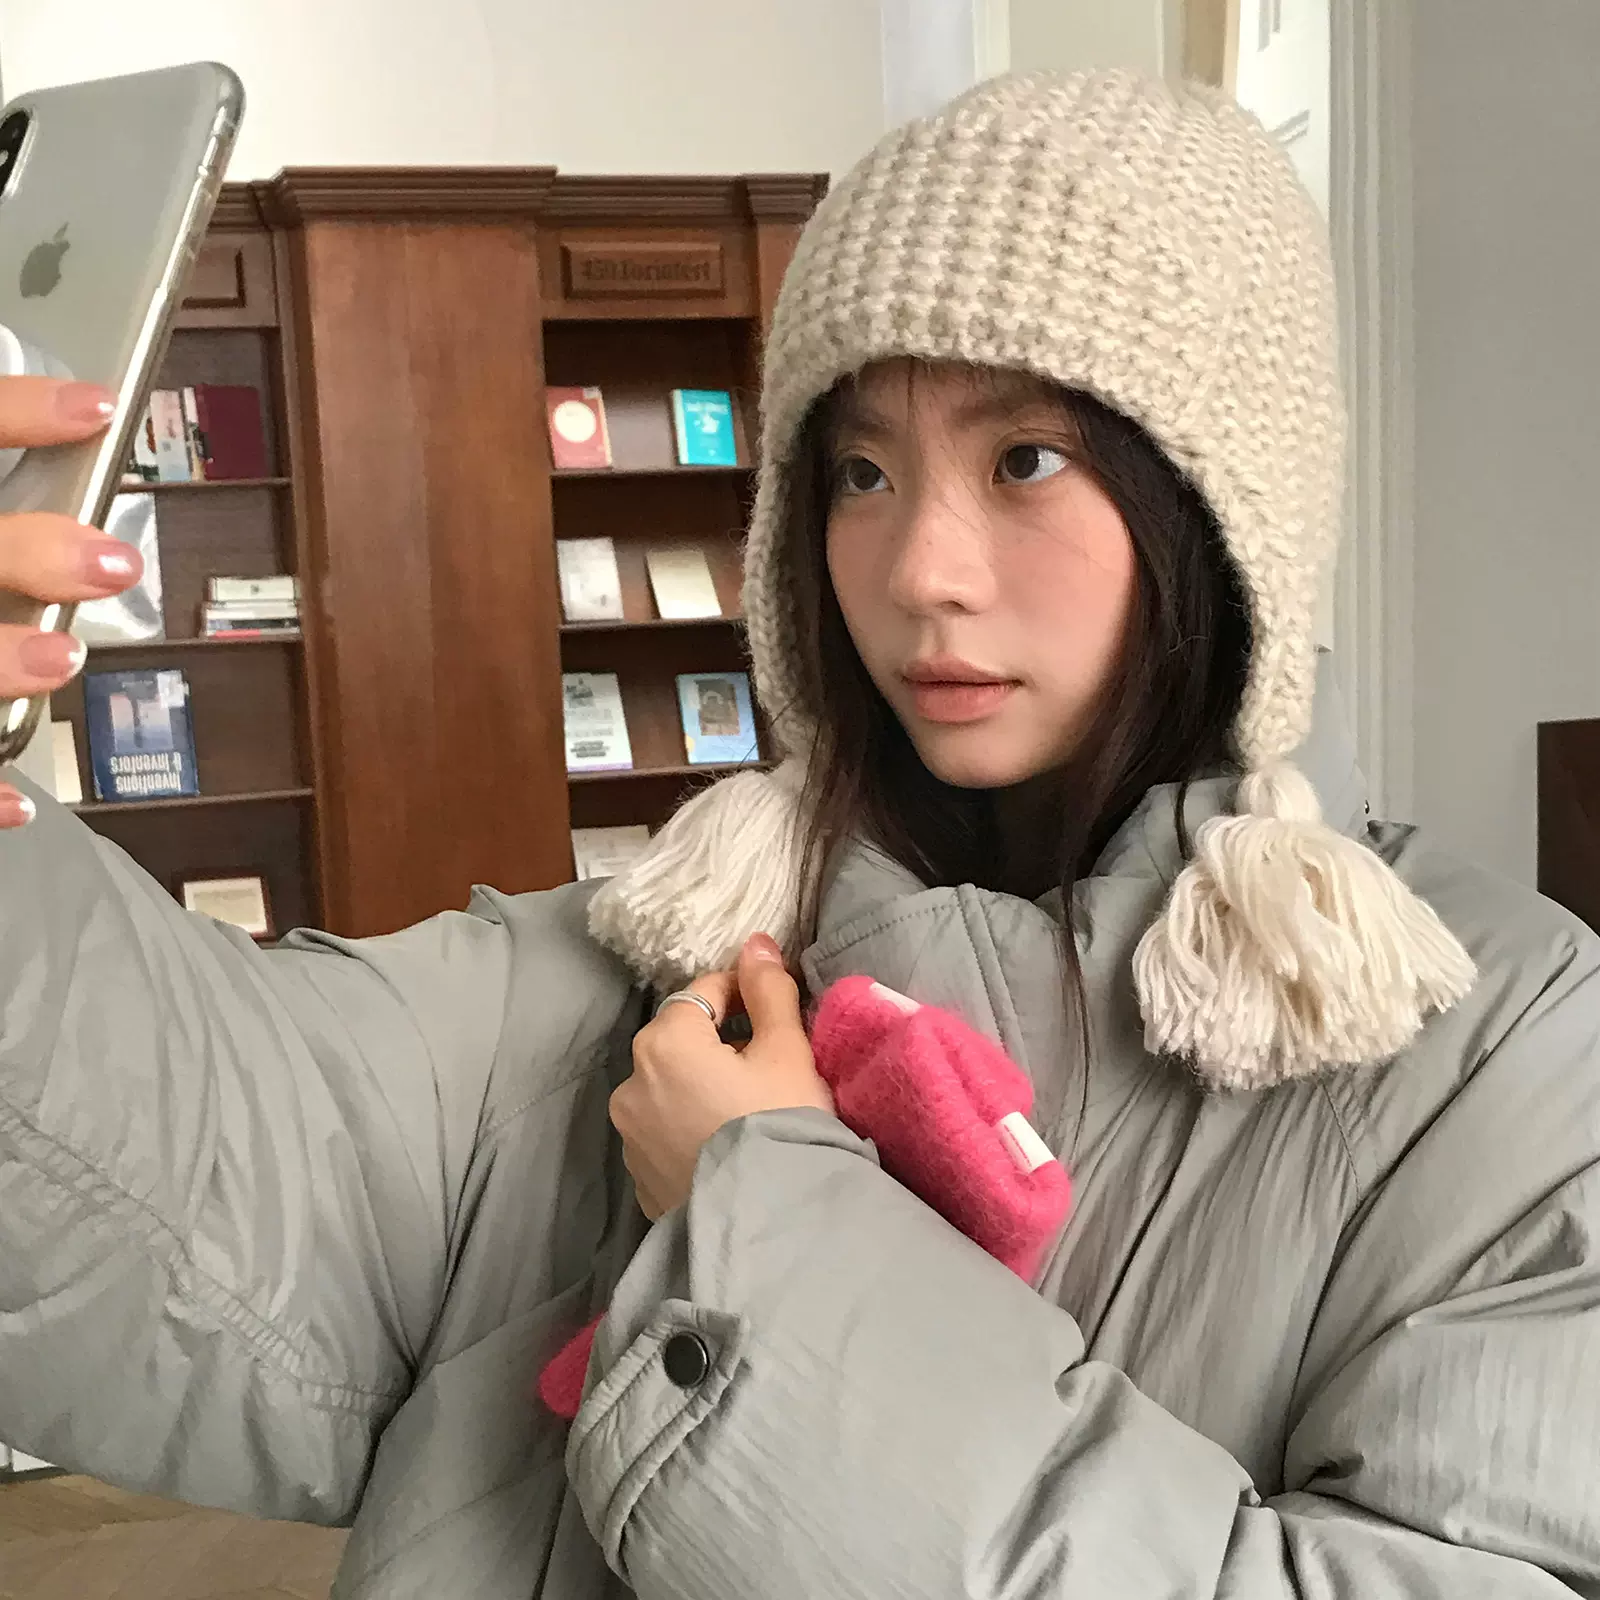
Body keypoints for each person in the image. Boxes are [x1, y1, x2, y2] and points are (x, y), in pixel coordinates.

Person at [1, 69, 1596, 1600]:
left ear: (1222, 508)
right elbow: (168, 1183)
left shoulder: (1507, 1056)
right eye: (862, 471)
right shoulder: (650, 968)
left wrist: (764, 1215)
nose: (919, 571)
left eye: (1026, 458)